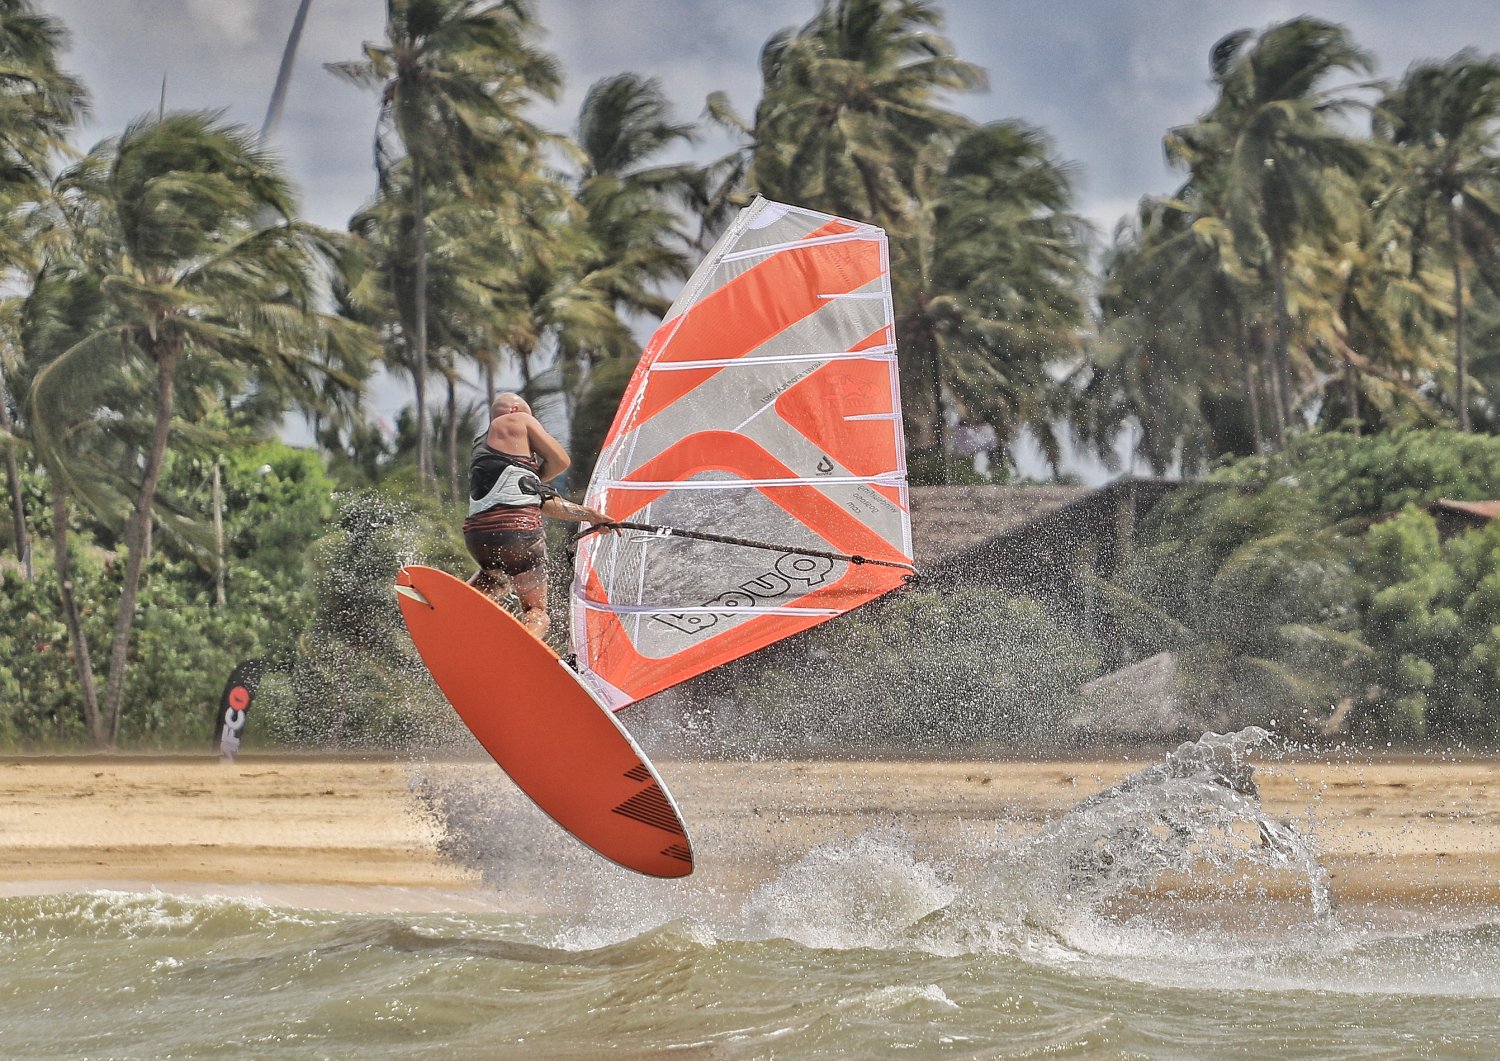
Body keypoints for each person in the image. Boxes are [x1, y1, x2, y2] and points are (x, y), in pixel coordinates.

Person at [463, 392, 613, 637]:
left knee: (495, 579)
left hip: (478, 539)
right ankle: (525, 644)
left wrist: (592, 516)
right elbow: (561, 460)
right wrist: (537, 479)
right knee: (535, 610)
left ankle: (456, 607)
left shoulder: (481, 447)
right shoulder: (518, 419)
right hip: (519, 535)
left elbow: (544, 502)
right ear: (515, 410)